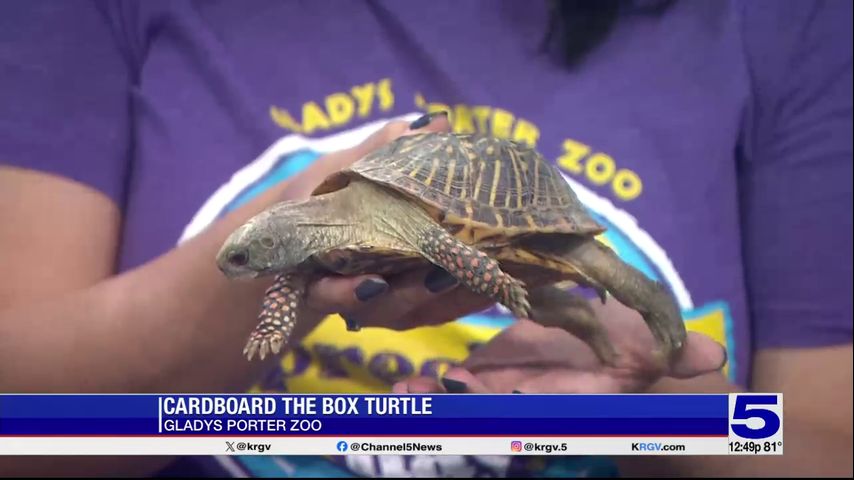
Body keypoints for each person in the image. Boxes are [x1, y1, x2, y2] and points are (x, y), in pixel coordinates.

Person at [0, 0, 850, 477]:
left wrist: (667, 417)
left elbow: (822, 446)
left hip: (502, 212)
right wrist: (236, 308)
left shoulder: (789, 28)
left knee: (607, 290)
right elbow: (20, 435)